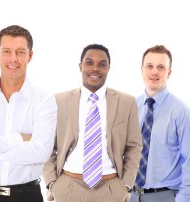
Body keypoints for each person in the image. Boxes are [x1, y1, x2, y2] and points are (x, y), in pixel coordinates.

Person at [0, 25, 57, 202]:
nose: (13, 59)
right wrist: (18, 139)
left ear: (30, 56)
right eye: (7, 51)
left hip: (26, 196)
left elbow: (41, 152)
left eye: (20, 52)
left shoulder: (44, 100)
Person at [43, 44, 143, 202]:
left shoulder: (127, 102)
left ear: (109, 68)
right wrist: (52, 183)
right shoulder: (58, 101)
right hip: (68, 187)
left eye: (102, 64)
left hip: (111, 189)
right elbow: (47, 145)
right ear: (80, 66)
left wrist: (126, 186)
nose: (95, 68)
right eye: (89, 62)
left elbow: (134, 146)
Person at [130, 45, 190, 202]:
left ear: (169, 72)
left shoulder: (183, 113)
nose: (154, 71)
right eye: (149, 66)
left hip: (164, 196)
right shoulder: (131, 107)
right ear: (142, 69)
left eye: (161, 67)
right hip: (131, 195)